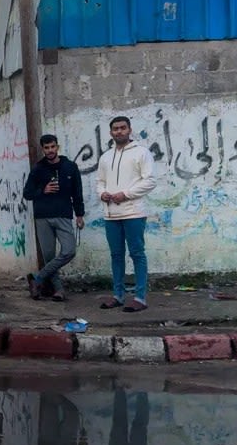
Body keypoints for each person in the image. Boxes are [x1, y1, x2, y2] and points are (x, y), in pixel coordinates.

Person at [96, 116, 156, 312]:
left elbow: (150, 181)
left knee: (137, 254)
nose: (119, 131)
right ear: (111, 132)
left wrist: (126, 194)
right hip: (111, 214)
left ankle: (140, 298)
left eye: (123, 128)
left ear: (130, 130)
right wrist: (102, 193)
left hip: (134, 213)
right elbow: (100, 182)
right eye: (115, 129)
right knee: (116, 255)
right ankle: (118, 295)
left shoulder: (142, 153)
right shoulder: (105, 157)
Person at [23, 134, 85, 301]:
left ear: (57, 147)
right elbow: (27, 193)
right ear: (43, 149)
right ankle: (59, 290)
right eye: (46, 148)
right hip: (43, 217)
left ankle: (37, 278)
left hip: (64, 215)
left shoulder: (70, 167)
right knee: (49, 256)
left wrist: (79, 214)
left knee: (69, 250)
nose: (50, 150)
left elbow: (77, 192)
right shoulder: (38, 169)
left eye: (52, 147)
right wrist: (42, 190)